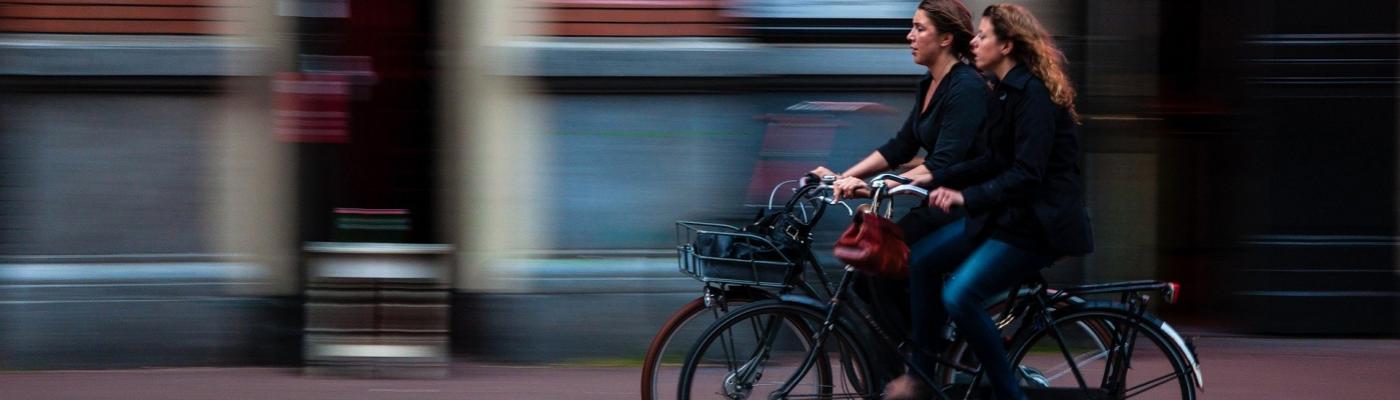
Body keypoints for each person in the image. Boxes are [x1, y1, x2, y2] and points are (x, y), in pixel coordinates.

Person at [884, 4, 1095, 400]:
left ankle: (1008, 394)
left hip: (1036, 225)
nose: (974, 42)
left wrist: (965, 195)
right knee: (923, 260)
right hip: (1005, 216)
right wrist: (932, 176)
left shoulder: (1032, 95)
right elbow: (992, 160)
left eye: (983, 36)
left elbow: (1026, 173)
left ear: (1007, 45)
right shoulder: (1002, 92)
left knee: (960, 296)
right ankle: (922, 376)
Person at [809, 0, 987, 353]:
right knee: (870, 276)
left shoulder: (966, 87)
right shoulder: (930, 84)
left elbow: (943, 162)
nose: (910, 36)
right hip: (932, 205)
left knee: (885, 269)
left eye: (920, 29)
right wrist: (842, 177)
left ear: (947, 38)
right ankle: (917, 359)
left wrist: (883, 186)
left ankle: (926, 361)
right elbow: (901, 147)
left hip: (963, 208)